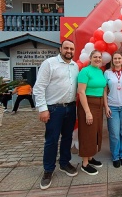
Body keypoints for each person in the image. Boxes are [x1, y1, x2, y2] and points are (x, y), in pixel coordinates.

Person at [33, 40, 79, 190]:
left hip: (71, 108)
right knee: (52, 140)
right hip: (54, 109)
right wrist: (42, 108)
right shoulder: (49, 63)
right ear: (60, 49)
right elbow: (39, 87)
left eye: (71, 48)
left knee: (67, 137)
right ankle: (48, 170)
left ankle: (64, 163)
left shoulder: (75, 66)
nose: (69, 50)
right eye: (66, 48)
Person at [77, 50, 107, 175]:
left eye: (99, 57)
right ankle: (84, 163)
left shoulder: (100, 71)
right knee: (87, 132)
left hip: (99, 105)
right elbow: (81, 92)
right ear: (90, 58)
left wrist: (105, 105)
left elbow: (103, 89)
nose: (98, 59)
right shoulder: (85, 71)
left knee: (95, 132)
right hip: (88, 104)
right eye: (95, 57)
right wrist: (87, 112)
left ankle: (90, 157)